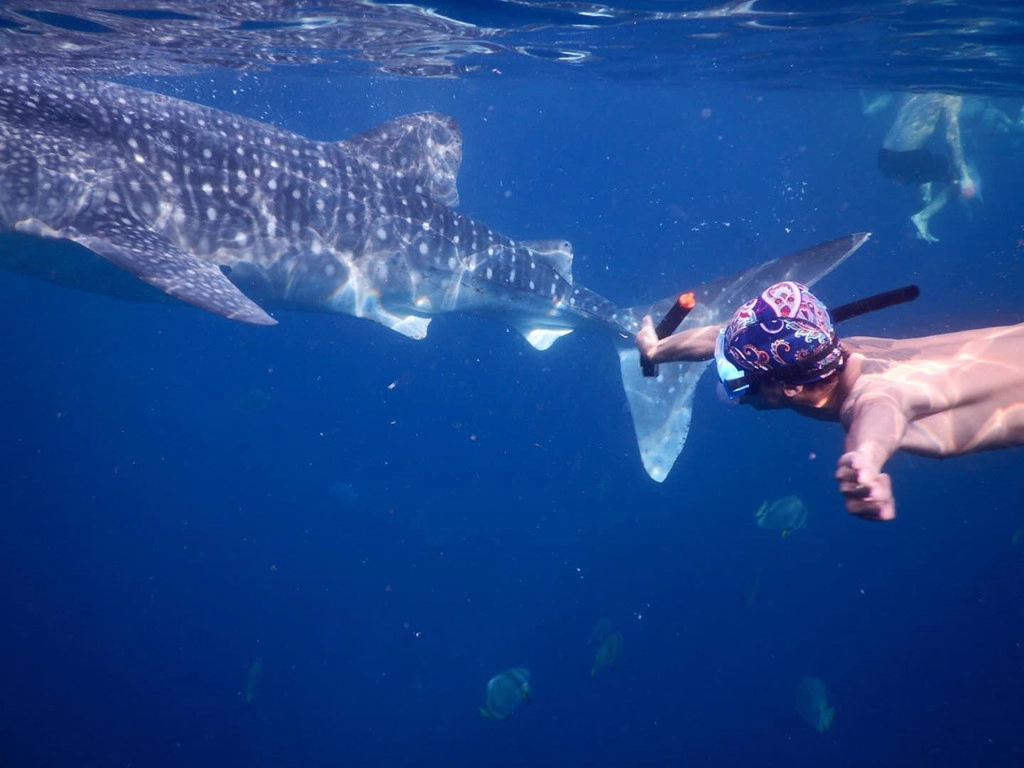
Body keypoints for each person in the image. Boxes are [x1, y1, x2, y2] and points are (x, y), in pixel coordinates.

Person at [635, 281, 1024, 522]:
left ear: (786, 387)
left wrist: (865, 463)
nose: (730, 391)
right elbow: (719, 337)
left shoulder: (873, 390)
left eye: (733, 380)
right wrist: (657, 350)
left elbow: (880, 411)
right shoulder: (820, 350)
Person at [878, 93, 976, 243]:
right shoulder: (951, 95)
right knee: (958, 179)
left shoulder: (914, 91)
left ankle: (920, 212)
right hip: (908, 158)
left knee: (926, 168)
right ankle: (922, 217)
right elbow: (951, 139)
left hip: (884, 156)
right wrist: (965, 177)